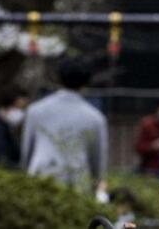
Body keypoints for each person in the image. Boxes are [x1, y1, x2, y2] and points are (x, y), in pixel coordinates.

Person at [21, 57, 108, 196]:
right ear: (86, 81)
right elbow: (97, 158)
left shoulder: (36, 110)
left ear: (59, 79)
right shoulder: (95, 117)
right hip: (77, 181)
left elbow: (27, 150)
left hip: (40, 177)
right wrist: (96, 181)